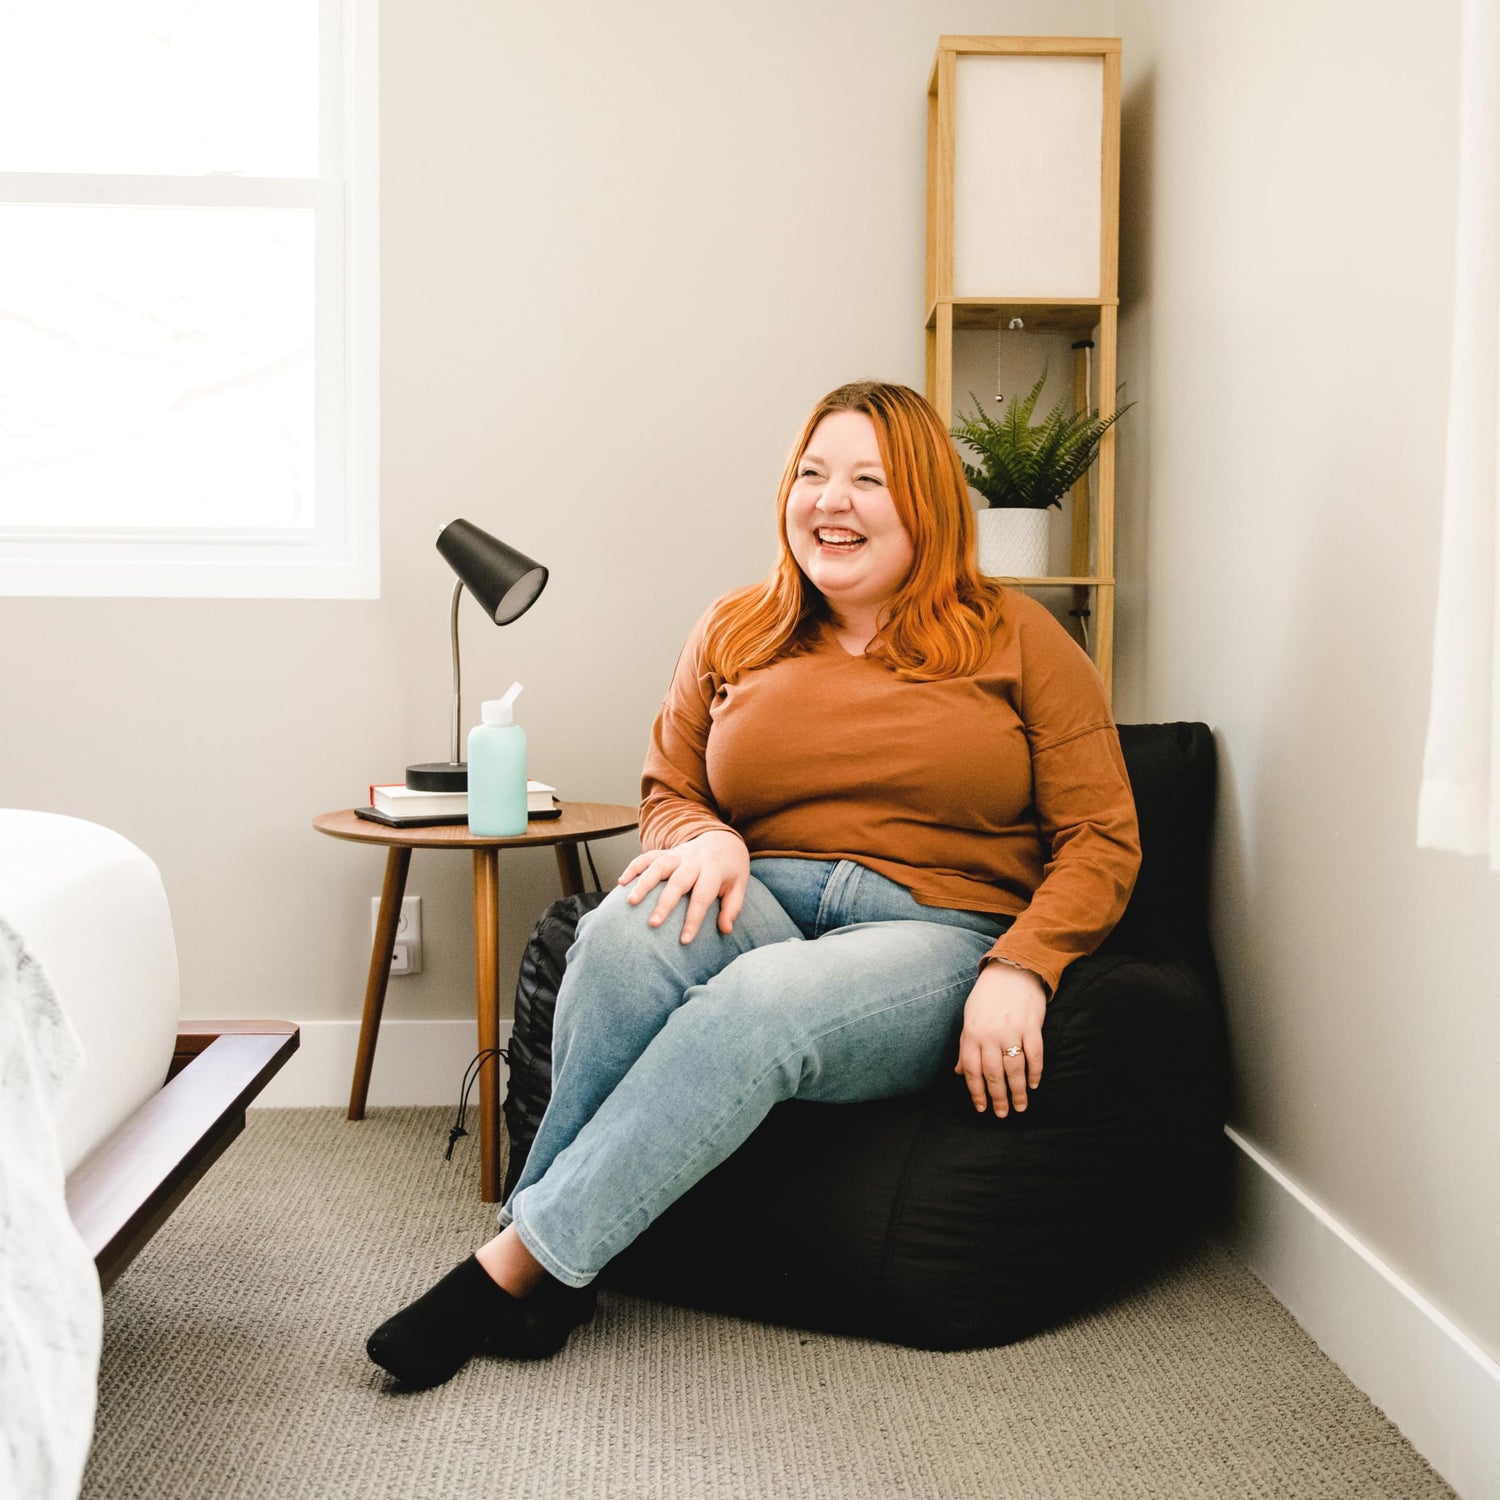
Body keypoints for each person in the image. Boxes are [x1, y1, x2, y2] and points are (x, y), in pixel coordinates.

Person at [366, 380, 1140, 1389]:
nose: (831, 500)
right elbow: (669, 788)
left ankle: (513, 1266)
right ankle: (553, 1265)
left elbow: (1102, 836)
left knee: (758, 1003)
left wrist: (1024, 967)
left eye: (868, 480)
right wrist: (706, 838)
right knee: (614, 936)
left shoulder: (1021, 636)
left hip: (936, 927)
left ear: (927, 503)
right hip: (760, 896)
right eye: (812, 474)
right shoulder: (737, 626)